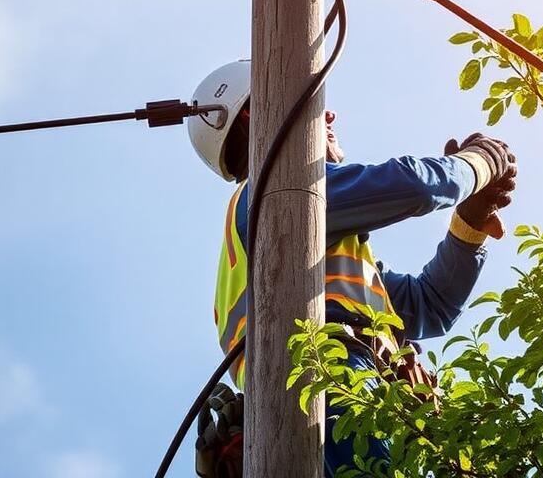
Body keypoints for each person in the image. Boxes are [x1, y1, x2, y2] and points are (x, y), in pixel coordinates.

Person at [187, 59, 516, 476]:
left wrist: (469, 224)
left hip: (358, 391)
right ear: (259, 113)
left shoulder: (320, 255)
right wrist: (477, 165)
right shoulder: (273, 194)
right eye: (312, 102)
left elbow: (428, 306)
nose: (329, 114)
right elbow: (412, 186)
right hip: (329, 376)